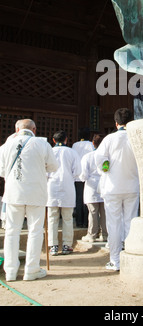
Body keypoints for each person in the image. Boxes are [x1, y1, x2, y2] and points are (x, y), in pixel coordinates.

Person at [0, 119, 58, 281]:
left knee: (12, 231)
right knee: (35, 230)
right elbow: (54, 166)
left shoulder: (6, 146)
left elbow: (2, 170)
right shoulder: (42, 144)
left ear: (16, 129)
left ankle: (10, 271)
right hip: (36, 193)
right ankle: (31, 270)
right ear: (34, 129)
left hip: (13, 193)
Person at [94, 108, 139, 271]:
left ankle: (115, 260)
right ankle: (131, 257)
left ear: (116, 122)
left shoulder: (109, 139)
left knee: (114, 224)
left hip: (112, 186)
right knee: (131, 221)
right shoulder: (137, 138)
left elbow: (100, 160)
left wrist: (107, 169)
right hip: (132, 186)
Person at [47, 130, 81, 256]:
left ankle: (53, 246)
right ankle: (67, 245)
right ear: (66, 140)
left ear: (54, 140)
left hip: (51, 186)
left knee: (52, 218)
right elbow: (78, 171)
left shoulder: (49, 151)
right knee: (67, 218)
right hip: (67, 186)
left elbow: (44, 171)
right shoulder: (72, 152)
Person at [80, 134, 108, 243]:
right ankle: (105, 234)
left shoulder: (88, 156)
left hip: (91, 187)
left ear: (93, 143)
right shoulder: (106, 156)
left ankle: (91, 234)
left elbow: (83, 175)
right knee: (104, 212)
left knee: (93, 212)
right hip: (104, 185)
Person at [72, 128, 94, 228]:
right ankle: (86, 221)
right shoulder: (91, 145)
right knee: (87, 199)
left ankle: (78, 221)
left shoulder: (75, 145)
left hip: (77, 176)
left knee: (79, 199)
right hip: (88, 176)